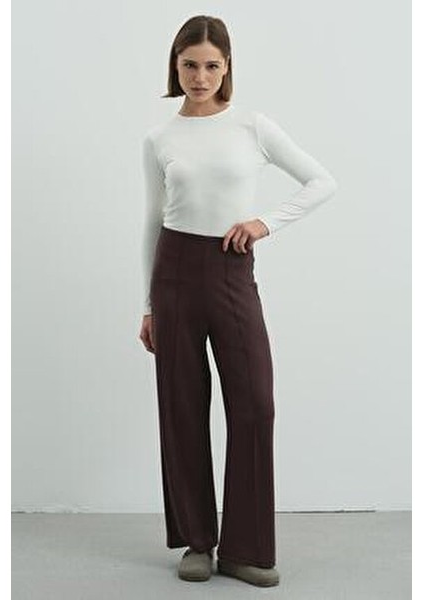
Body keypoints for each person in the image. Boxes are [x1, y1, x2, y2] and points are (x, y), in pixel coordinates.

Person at [138, 15, 337, 587]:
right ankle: (197, 542)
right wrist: (147, 304)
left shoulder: (252, 125)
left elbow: (322, 181)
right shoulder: (159, 139)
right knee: (181, 406)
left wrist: (264, 223)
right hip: (174, 273)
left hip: (230, 269)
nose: (200, 77)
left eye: (211, 65)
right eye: (189, 65)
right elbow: (152, 219)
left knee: (254, 404)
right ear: (175, 66)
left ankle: (244, 549)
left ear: (227, 67)